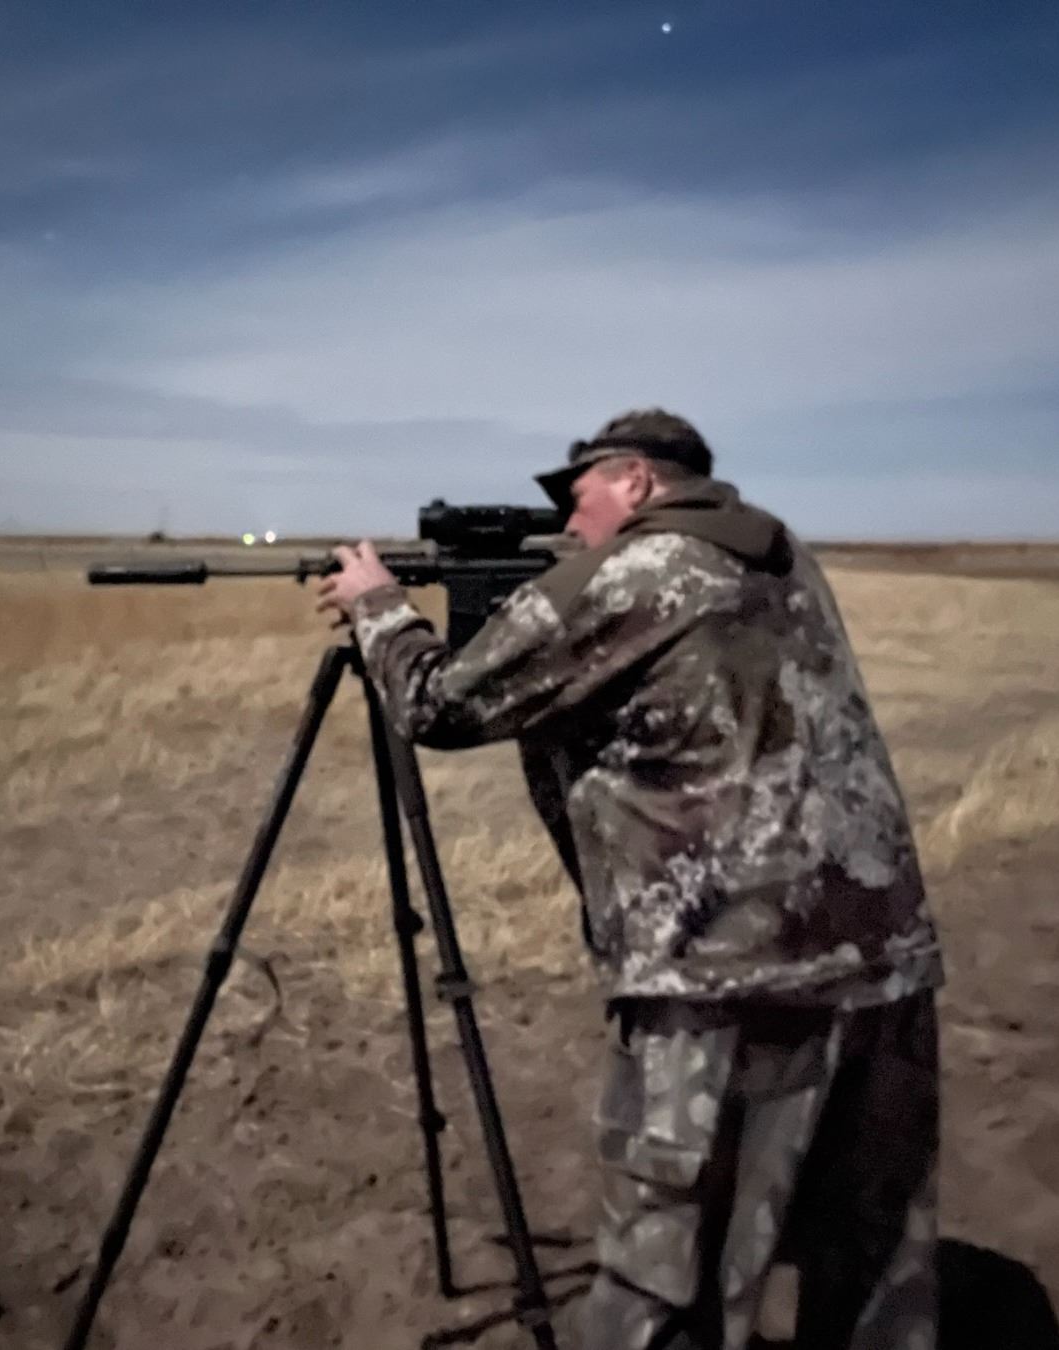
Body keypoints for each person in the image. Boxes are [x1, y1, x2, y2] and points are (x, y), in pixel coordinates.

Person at [316, 409, 943, 1350]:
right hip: (880, 951)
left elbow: (440, 704)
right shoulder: (778, 554)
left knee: (666, 1259)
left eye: (580, 498)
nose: (569, 525)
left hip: (726, 972)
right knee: (872, 1249)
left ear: (639, 483)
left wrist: (379, 607)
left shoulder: (640, 570)